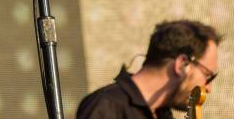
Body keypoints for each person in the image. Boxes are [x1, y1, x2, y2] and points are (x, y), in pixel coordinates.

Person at [77, 20, 222, 119]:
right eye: (207, 75)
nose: (208, 88)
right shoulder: (107, 105)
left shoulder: (162, 113)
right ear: (182, 64)